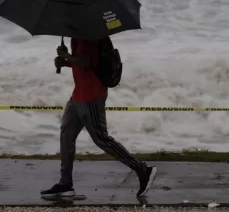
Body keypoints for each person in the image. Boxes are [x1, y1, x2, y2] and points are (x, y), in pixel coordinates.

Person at [41, 36, 157, 199]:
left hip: (92, 96)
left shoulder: (89, 35)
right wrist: (65, 62)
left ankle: (143, 170)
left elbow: (86, 62)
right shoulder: (77, 35)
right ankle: (65, 184)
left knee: (102, 139)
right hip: (77, 96)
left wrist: (66, 55)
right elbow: (81, 63)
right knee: (66, 134)